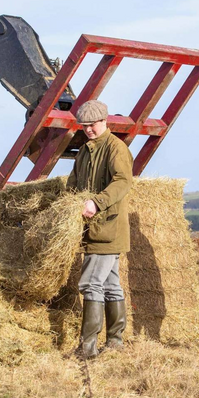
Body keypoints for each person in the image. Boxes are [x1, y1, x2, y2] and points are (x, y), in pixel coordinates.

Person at [67, 99, 133, 358]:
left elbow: (123, 182)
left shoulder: (116, 148)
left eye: (93, 125)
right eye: (84, 126)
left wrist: (97, 202)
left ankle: (88, 348)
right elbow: (73, 183)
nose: (89, 130)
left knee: (90, 283)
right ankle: (116, 341)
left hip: (107, 229)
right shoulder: (85, 150)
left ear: (104, 121)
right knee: (110, 285)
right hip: (91, 229)